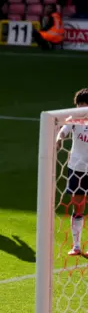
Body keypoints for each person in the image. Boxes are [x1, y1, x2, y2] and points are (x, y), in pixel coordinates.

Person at [56, 89, 88, 257]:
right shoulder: (74, 119)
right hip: (77, 168)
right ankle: (76, 245)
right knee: (78, 204)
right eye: (78, 104)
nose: (80, 108)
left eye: (83, 105)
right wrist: (59, 140)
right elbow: (63, 131)